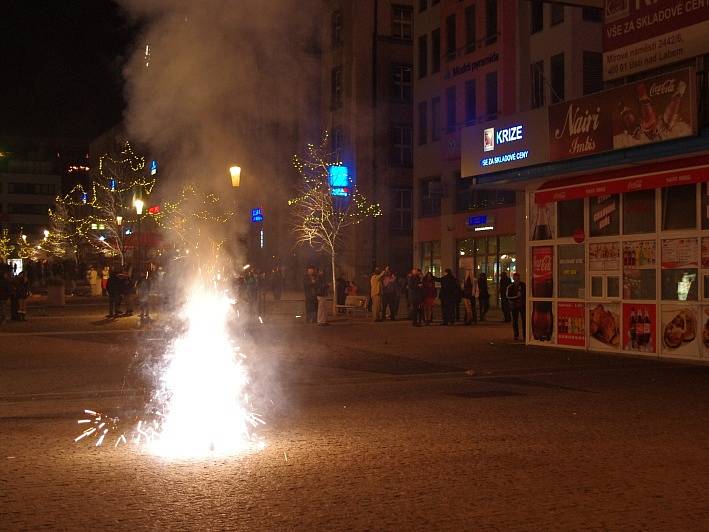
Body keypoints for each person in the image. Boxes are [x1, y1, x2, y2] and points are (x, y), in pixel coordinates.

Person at [507, 272, 527, 340]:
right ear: (513, 279)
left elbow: (526, 293)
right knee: (515, 321)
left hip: (522, 305)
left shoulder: (523, 285)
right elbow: (508, 296)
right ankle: (516, 335)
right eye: (515, 279)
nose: (517, 280)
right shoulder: (511, 286)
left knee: (524, 320)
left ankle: (525, 335)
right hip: (515, 306)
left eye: (518, 279)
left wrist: (522, 295)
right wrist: (516, 296)